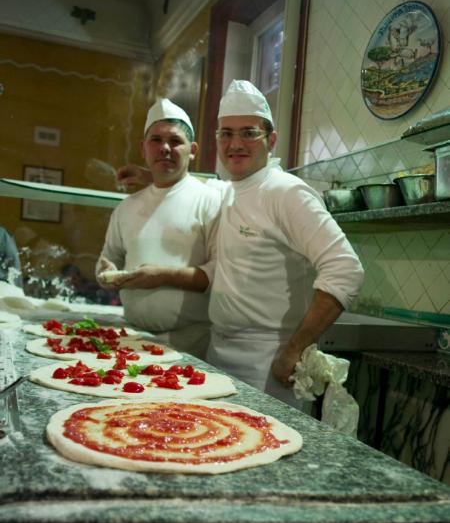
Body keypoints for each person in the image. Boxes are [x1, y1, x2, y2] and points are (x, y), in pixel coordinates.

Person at [116, 81, 364, 406]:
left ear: (271, 140)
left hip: (269, 363)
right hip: (218, 353)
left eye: (248, 133)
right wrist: (153, 176)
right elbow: (201, 184)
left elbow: (346, 269)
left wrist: (295, 349)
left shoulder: (286, 193)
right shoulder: (230, 190)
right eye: (226, 133)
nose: (235, 144)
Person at [96, 98, 222, 356]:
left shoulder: (210, 201)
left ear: (193, 149)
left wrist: (163, 275)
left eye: (175, 141)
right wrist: (104, 270)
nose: (165, 148)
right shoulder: (127, 207)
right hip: (129, 340)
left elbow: (221, 273)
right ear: (143, 148)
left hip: (192, 345)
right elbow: (109, 256)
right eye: (156, 140)